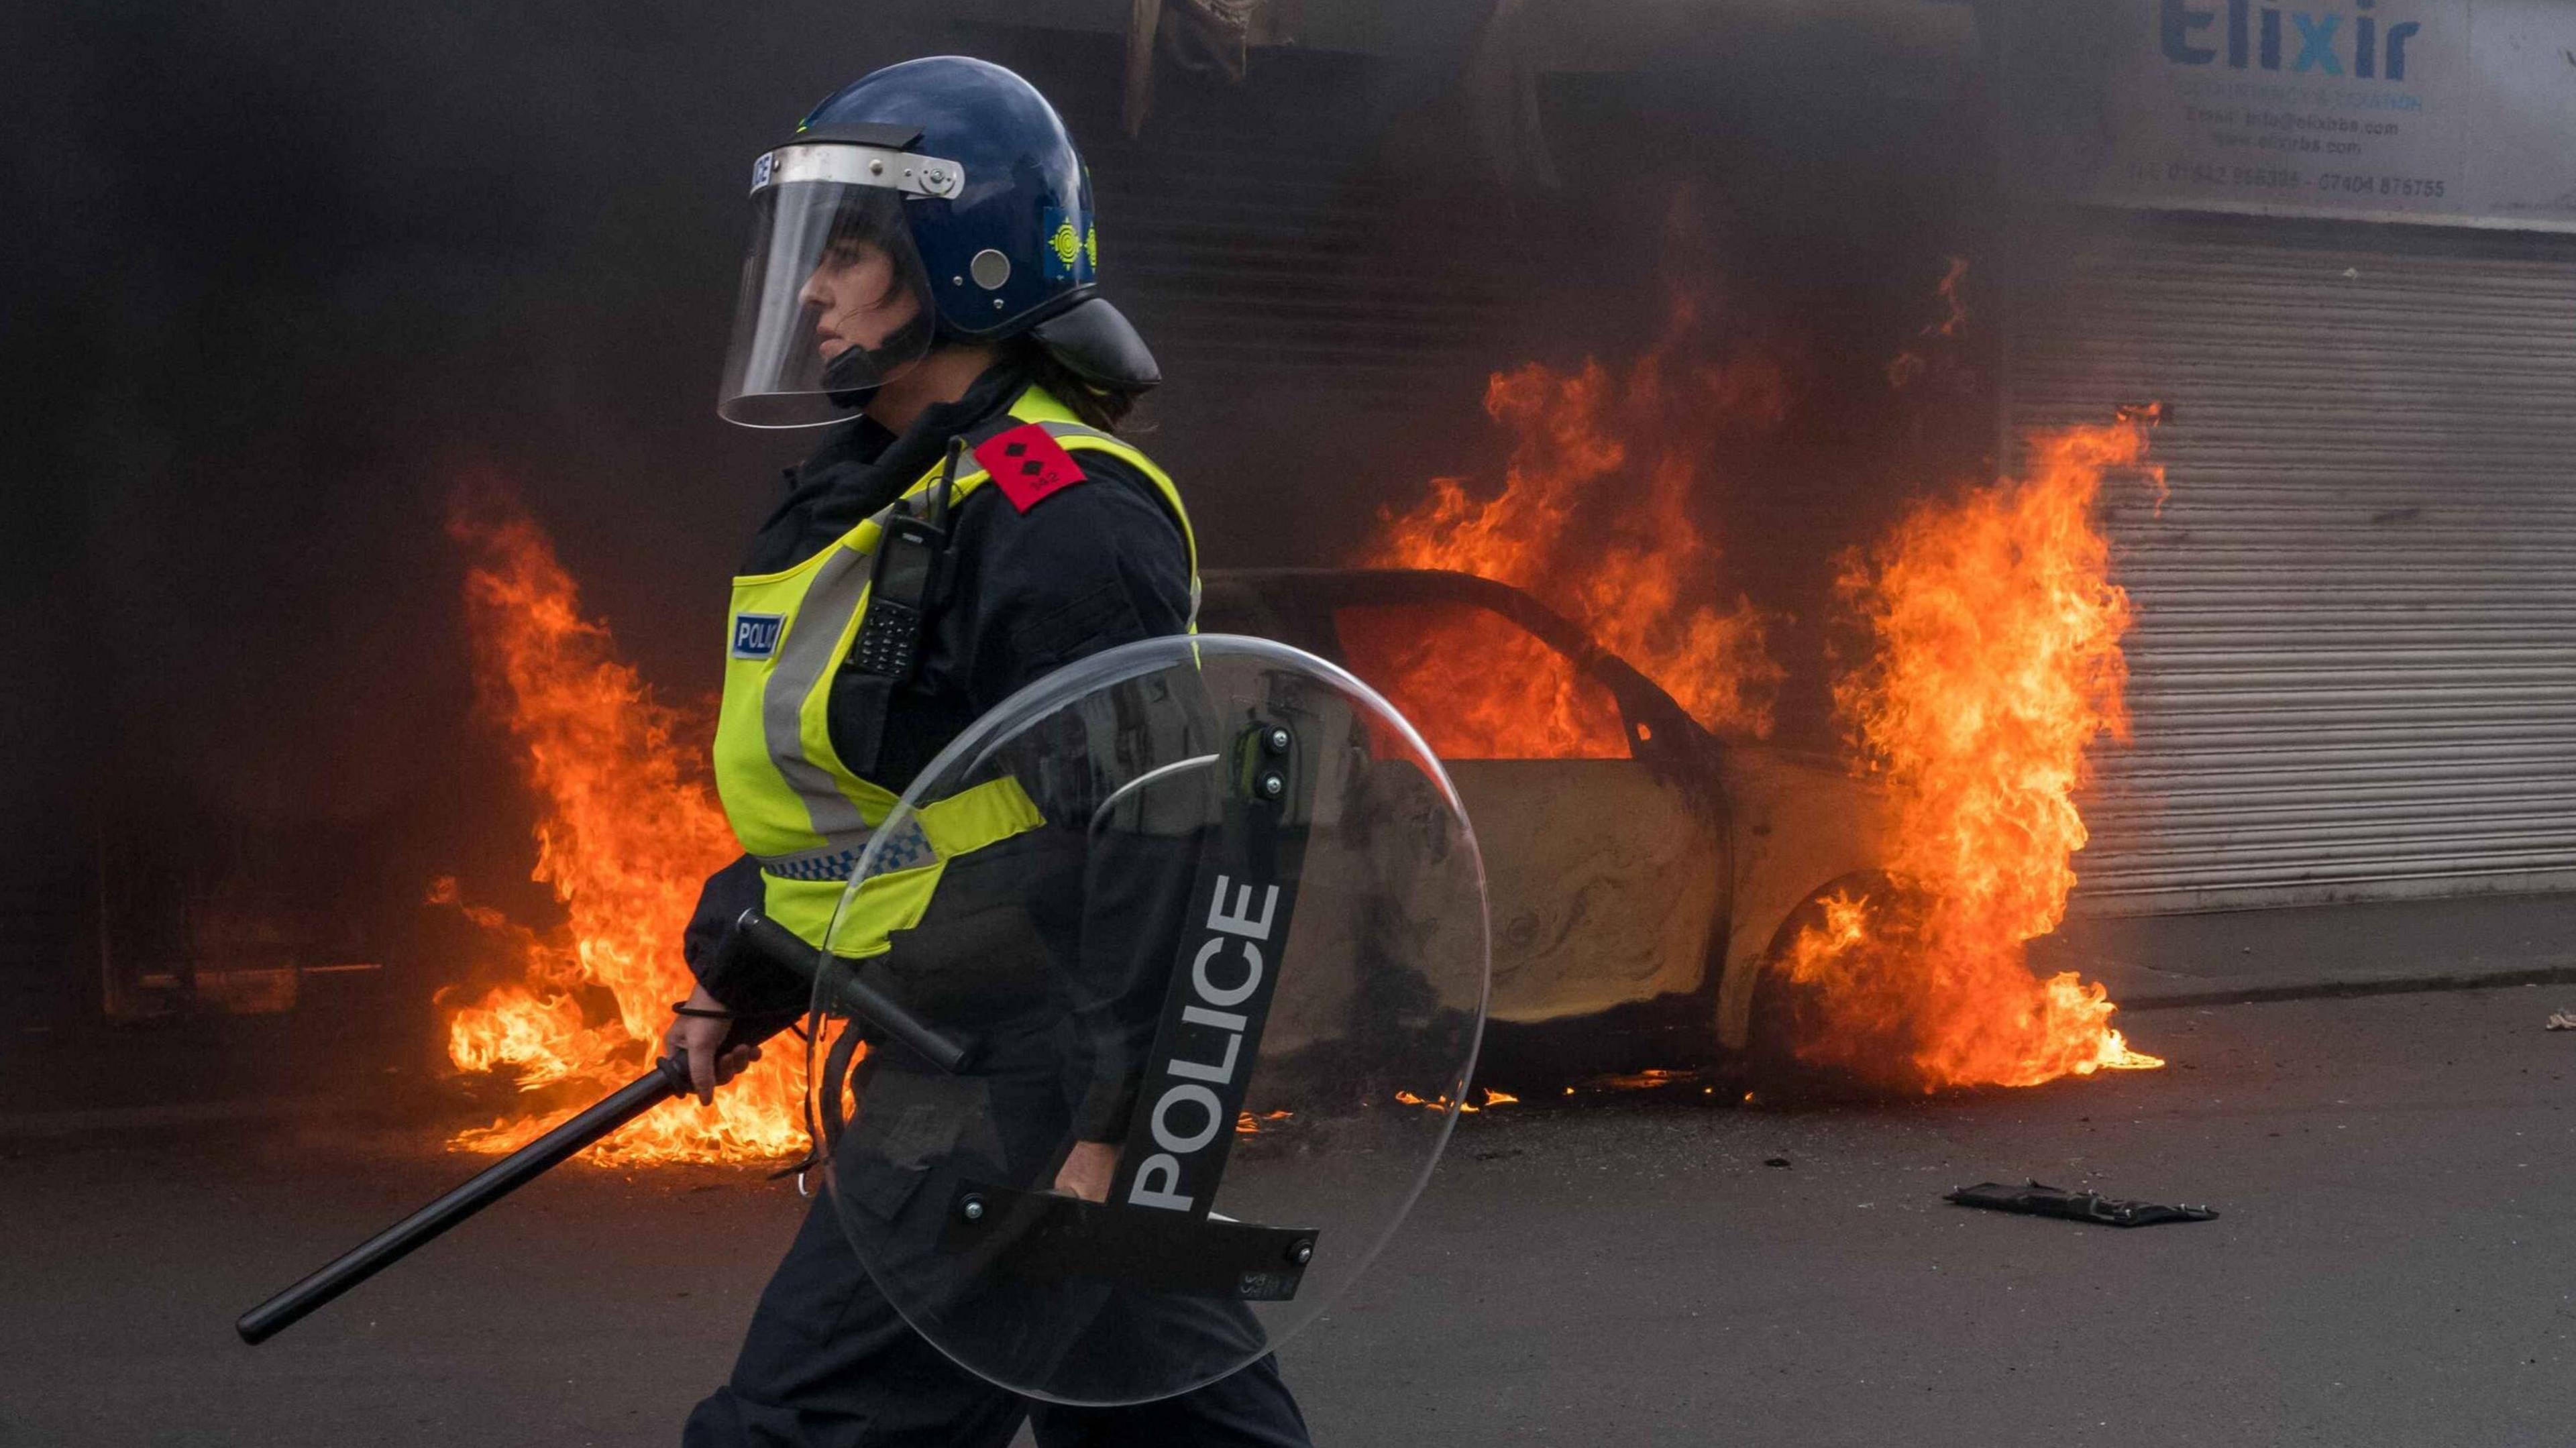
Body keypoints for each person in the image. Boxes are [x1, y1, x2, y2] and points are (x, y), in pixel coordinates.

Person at [661, 56, 1313, 1448]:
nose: (808, 292)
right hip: (955, 1033)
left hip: (1014, 1085)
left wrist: (1118, 1127)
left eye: (846, 252)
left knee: (803, 1430)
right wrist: (747, 972)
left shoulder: (1057, 511)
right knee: (1178, 1430)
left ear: (963, 261)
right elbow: (893, 814)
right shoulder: (885, 487)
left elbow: (1159, 835)